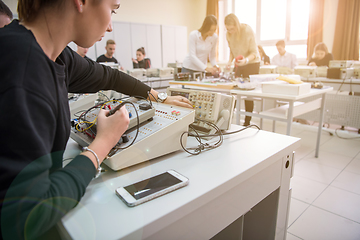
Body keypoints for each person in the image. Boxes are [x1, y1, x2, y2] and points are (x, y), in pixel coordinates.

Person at [0, 1, 192, 239]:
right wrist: (103, 143)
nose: (110, 26)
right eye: (112, 9)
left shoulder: (55, 54)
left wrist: (158, 97)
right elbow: (26, 216)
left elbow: (109, 76)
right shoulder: (24, 71)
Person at [224, 13, 260, 126]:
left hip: (251, 63)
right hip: (239, 63)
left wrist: (246, 61)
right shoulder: (228, 35)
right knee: (233, 91)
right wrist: (229, 62)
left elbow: (254, 52)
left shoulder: (247, 30)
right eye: (228, 29)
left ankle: (247, 122)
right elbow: (232, 51)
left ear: (237, 25)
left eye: (232, 28)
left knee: (248, 94)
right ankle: (228, 119)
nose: (230, 31)